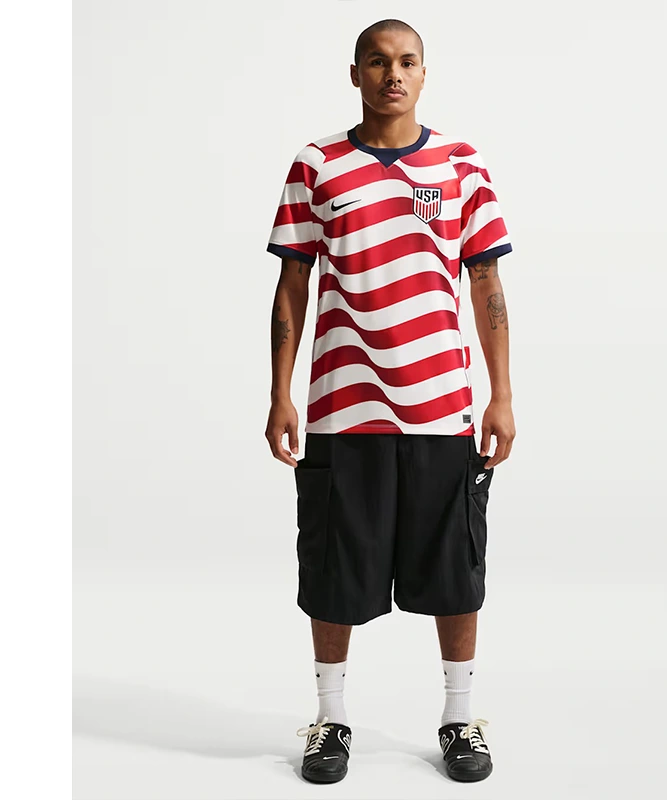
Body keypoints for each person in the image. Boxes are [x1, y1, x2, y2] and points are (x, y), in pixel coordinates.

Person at [265, 18, 515, 784]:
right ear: (355, 74)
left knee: (455, 570)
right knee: (334, 570)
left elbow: (486, 282)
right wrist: (280, 392)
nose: (393, 74)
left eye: (407, 61)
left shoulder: (462, 165)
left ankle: (458, 717)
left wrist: (501, 395)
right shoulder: (317, 165)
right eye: (377, 62)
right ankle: (330, 719)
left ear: (424, 73)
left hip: (442, 408)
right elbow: (293, 283)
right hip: (343, 408)